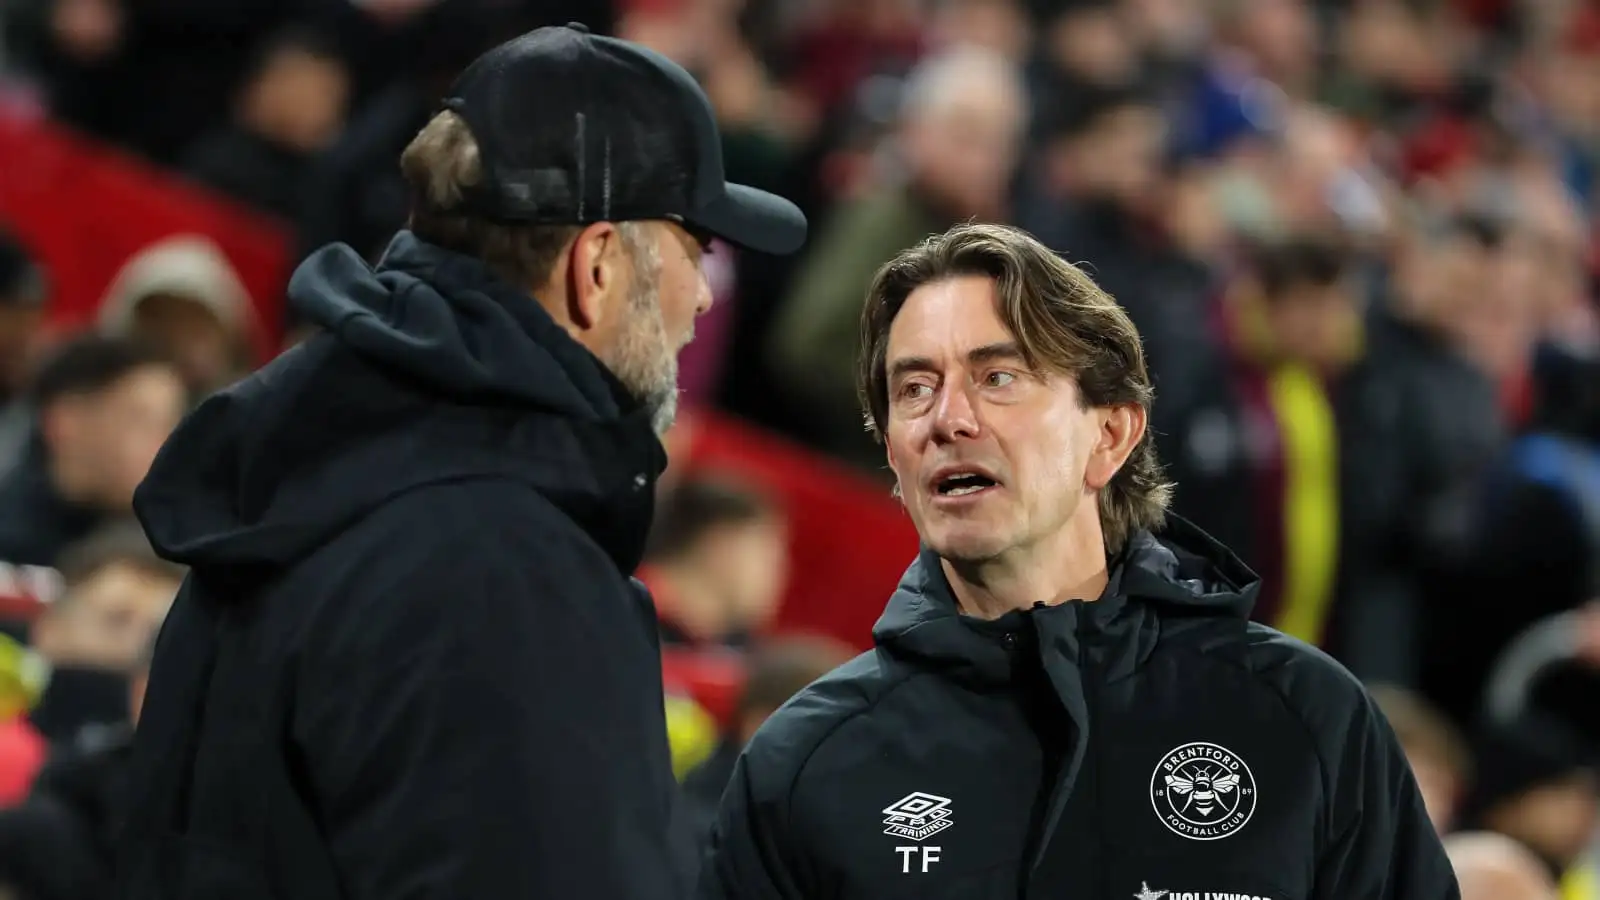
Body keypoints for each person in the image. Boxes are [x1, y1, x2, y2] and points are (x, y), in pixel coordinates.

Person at [117, 22, 805, 900]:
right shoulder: (506, 569)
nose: (703, 294)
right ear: (596, 268)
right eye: (693, 249)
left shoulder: (308, 466)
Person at [700, 223, 1455, 899]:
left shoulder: (1309, 719)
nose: (947, 419)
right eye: (914, 388)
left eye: (999, 377)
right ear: (892, 452)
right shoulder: (805, 762)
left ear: (1111, 435)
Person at [0, 335, 185, 570]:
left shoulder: (175, 552)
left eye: (171, 425)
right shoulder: (9, 539)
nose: (164, 445)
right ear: (66, 423)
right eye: (140, 420)